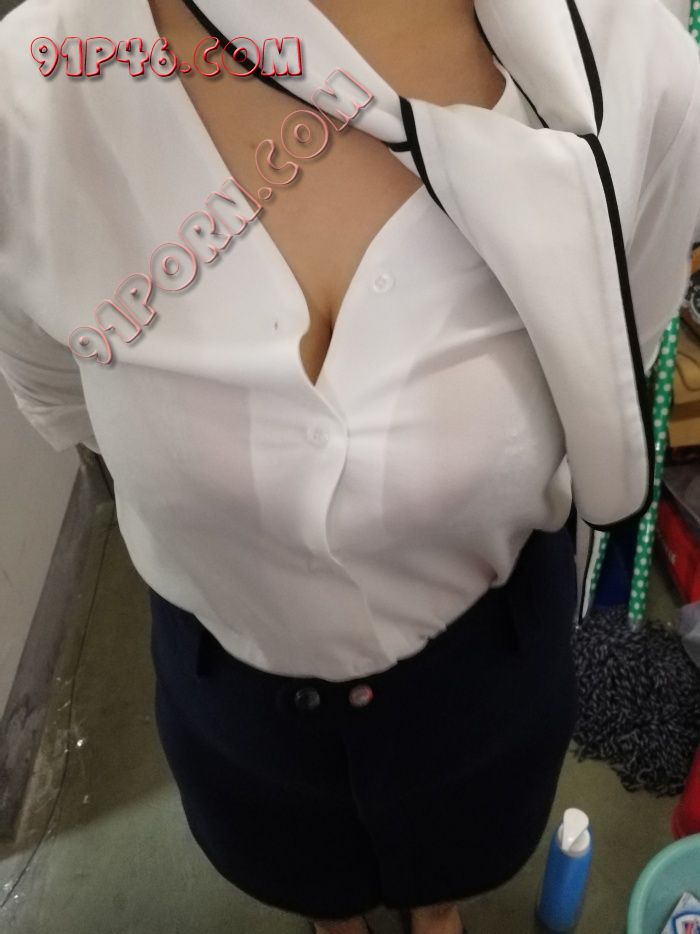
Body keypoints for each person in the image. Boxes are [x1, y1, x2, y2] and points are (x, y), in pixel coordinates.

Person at [1, 0, 699, 932]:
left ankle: (434, 908)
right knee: (302, 875)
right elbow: (62, 393)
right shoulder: (32, 100)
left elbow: (618, 348)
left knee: (460, 850)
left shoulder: (636, 73)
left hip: (486, 673)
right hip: (232, 693)